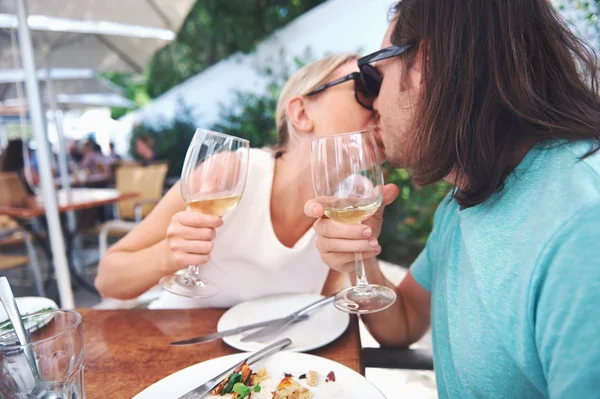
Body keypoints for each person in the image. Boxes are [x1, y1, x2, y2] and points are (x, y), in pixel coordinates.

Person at [305, 1, 600, 398]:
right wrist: (361, 257)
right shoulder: (465, 198)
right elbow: (405, 322)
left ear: (424, 65)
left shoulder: (581, 229)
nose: (374, 105)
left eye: (375, 77)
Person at [95, 53, 378, 308]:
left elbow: (323, 307)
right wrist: (167, 256)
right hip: (178, 344)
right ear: (302, 114)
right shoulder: (229, 172)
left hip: (267, 359)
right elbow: (108, 280)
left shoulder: (358, 199)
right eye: (366, 88)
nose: (380, 105)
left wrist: (359, 264)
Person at [0, 139, 38, 206]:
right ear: (22, 152)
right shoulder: (26, 172)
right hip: (28, 209)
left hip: (10, 212)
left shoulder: (3, 174)